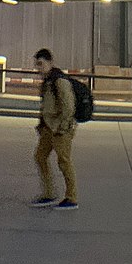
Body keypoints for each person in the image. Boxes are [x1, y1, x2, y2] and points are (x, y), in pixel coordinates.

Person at [29, 47, 78, 211]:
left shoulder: (59, 81)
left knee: (64, 161)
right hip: (48, 129)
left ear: (50, 62)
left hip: (60, 129)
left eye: (41, 64)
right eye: (37, 64)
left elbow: (69, 106)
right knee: (40, 156)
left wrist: (63, 127)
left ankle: (71, 197)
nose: (39, 68)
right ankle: (49, 193)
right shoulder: (48, 82)